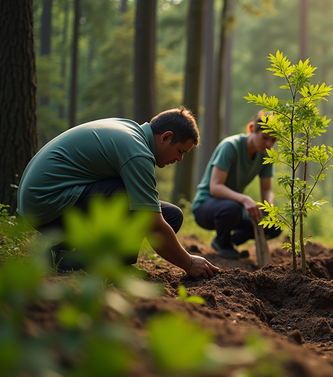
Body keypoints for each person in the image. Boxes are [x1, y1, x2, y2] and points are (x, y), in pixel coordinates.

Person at [17, 107, 219, 279]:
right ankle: (86, 264)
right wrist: (189, 263)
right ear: (166, 137)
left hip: (52, 201)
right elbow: (153, 225)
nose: (179, 159)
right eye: (181, 151)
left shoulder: (130, 131)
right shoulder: (137, 151)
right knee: (135, 204)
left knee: (171, 215)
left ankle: (60, 253)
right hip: (46, 205)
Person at [191, 111, 281, 259]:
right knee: (231, 208)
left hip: (236, 208)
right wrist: (245, 199)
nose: (269, 144)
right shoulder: (230, 146)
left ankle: (227, 241)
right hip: (206, 207)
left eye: (273, 140)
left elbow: (266, 189)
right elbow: (215, 187)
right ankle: (223, 243)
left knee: (274, 225)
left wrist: (269, 207)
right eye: (265, 138)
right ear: (252, 129)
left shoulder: (266, 155)